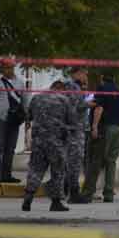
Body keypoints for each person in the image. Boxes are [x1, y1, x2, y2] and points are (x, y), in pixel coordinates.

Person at [22, 80, 74, 212]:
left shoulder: (37, 98)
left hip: (38, 141)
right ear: (61, 89)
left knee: (35, 169)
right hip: (56, 142)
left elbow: (28, 116)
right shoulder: (64, 100)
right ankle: (56, 202)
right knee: (57, 171)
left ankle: (28, 198)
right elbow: (71, 121)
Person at [81, 72, 119, 204]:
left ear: (101, 78)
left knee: (96, 160)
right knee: (111, 162)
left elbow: (99, 108)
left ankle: (88, 193)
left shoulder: (102, 89)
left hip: (104, 129)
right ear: (114, 78)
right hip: (117, 129)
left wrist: (94, 126)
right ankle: (109, 193)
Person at [0, 59, 26, 184]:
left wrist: (26, 116)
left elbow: (24, 99)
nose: (9, 70)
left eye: (11, 67)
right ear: (1, 68)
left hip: (15, 119)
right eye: (6, 67)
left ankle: (6, 175)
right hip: (1, 118)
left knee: (11, 148)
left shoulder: (19, 82)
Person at [63, 67, 90, 203]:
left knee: (70, 161)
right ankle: (73, 193)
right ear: (78, 73)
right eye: (85, 74)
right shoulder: (72, 87)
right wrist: (87, 104)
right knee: (74, 161)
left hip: (73, 128)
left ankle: (66, 189)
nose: (86, 77)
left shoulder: (73, 86)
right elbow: (73, 108)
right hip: (74, 129)